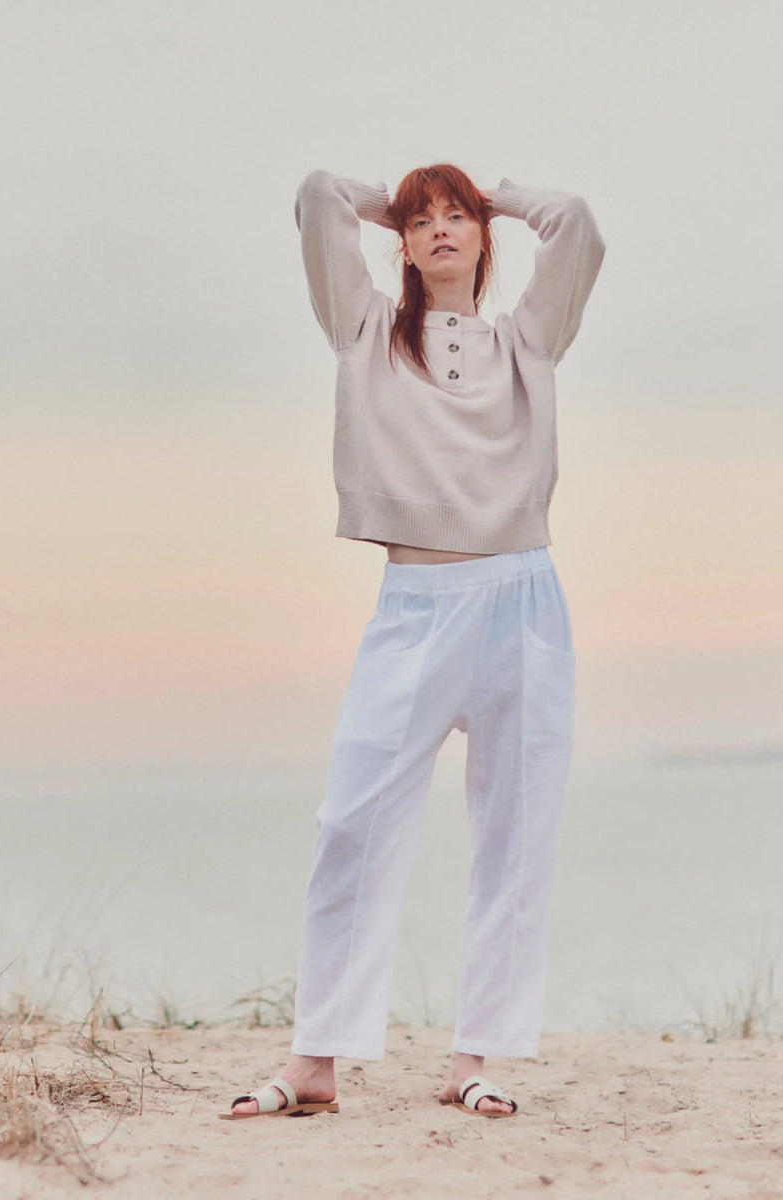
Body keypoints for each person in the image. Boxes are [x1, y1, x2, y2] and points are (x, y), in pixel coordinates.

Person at [221, 163, 605, 1120]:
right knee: (353, 823)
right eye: (422, 220)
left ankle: (475, 1057)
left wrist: (508, 192)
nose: (440, 230)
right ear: (400, 240)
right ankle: (317, 1062)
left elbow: (583, 228)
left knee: (517, 837)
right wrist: (381, 202)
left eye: (457, 217)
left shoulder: (529, 340)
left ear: (485, 237)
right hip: (416, 604)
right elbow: (311, 195)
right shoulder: (364, 332)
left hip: (521, 596)